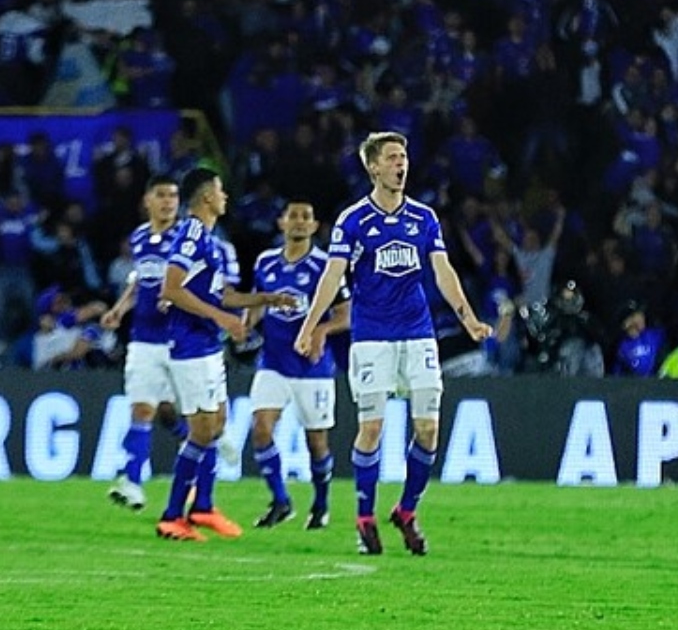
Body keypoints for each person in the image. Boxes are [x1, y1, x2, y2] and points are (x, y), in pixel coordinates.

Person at [294, 132, 493, 556]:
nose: (401, 165)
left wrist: (469, 318)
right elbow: (332, 277)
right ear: (374, 167)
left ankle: (406, 511)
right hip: (371, 339)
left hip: (418, 335)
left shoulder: (423, 218)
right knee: (372, 428)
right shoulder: (353, 221)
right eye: (392, 158)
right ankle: (364, 518)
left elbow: (443, 272)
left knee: (428, 430)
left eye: (404, 157)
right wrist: (310, 326)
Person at [155, 167, 294, 542]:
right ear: (204, 198)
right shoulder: (191, 234)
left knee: (216, 425)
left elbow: (223, 295)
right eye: (220, 190)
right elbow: (171, 288)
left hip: (207, 345)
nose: (225, 196)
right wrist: (220, 318)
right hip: (190, 347)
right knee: (202, 430)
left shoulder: (212, 241)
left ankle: (203, 506)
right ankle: (172, 516)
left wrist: (265, 299)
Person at [245, 198, 351, 530]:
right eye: (293, 216)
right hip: (273, 362)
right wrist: (245, 323)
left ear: (315, 226)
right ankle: (281, 500)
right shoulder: (265, 262)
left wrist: (321, 330)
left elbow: (346, 315)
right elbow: (258, 303)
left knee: (316, 442)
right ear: (281, 223)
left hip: (313, 366)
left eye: (306, 216)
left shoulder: (325, 266)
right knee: (261, 429)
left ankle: (320, 504)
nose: (299, 222)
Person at [101, 175, 187, 511]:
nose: (168, 201)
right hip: (144, 339)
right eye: (162, 195)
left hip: (181, 341)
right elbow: (140, 279)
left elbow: (205, 279)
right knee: (142, 408)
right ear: (147, 200)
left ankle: (202, 443)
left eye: (173, 196)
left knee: (168, 412)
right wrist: (120, 309)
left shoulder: (186, 238)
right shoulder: (139, 237)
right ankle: (132, 481)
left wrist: (178, 298)